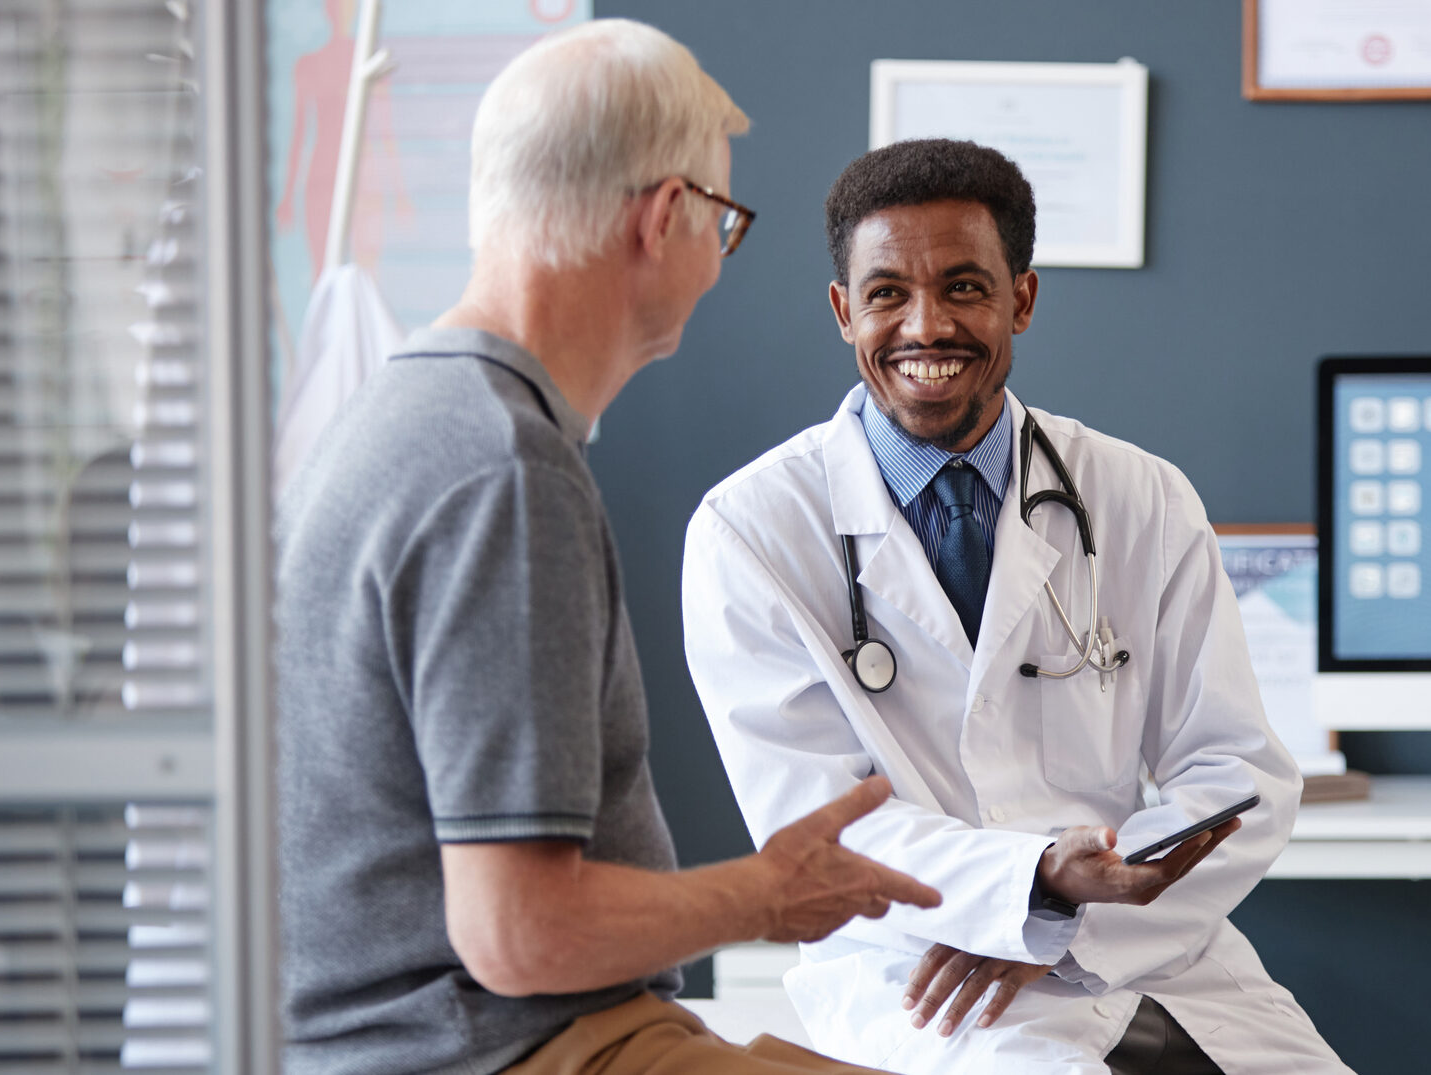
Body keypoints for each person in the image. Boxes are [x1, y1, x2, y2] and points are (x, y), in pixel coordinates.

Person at [274, 22, 939, 1075]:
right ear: (667, 215)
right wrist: (769, 894)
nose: (716, 256)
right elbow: (520, 932)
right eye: (721, 221)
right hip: (498, 1045)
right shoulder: (502, 469)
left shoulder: (400, 416)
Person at [682, 139, 1354, 1074]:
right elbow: (820, 826)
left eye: (964, 287)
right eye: (887, 294)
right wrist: (1023, 888)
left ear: (1021, 301)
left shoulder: (1141, 497)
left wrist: (1066, 915)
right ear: (844, 311)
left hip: (1155, 963)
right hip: (924, 977)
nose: (926, 326)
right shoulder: (752, 530)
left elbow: (1237, 770)